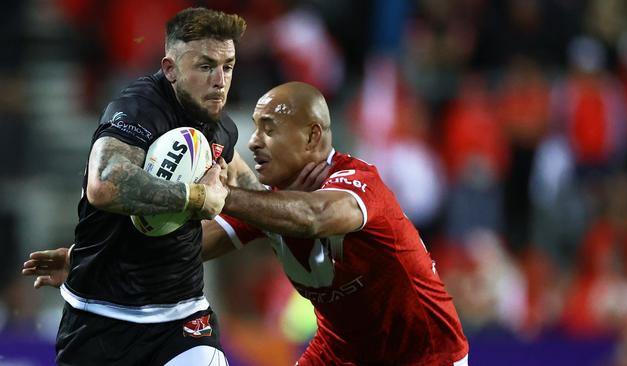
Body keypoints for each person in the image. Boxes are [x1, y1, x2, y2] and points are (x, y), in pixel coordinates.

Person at [26, 82, 469, 365]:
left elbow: (315, 217)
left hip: (424, 357)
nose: (253, 143)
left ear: (313, 137)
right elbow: (192, 245)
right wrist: (92, 262)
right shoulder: (271, 203)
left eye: (269, 129)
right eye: (253, 128)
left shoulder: (359, 183)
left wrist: (222, 195)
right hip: (340, 355)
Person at [30, 7, 269, 366]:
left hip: (184, 319)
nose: (220, 81)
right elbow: (105, 183)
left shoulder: (220, 127)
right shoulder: (138, 109)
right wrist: (197, 197)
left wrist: (286, 218)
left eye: (228, 66)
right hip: (101, 320)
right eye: (205, 66)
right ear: (170, 69)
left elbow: (246, 189)